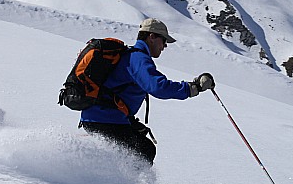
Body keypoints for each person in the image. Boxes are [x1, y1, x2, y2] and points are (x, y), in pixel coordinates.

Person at [79, 18, 215, 164]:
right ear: (152, 37)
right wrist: (192, 88)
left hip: (102, 116)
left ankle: (101, 173)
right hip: (104, 118)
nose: (165, 46)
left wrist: (129, 121)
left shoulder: (132, 56)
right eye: (163, 40)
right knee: (145, 150)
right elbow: (158, 87)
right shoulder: (138, 58)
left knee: (136, 148)